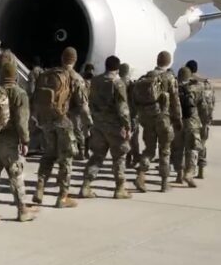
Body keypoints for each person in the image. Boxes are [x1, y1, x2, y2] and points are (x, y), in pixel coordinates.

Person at [32, 47, 91, 208]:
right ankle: (63, 197)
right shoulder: (76, 78)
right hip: (65, 123)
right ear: (75, 60)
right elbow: (83, 106)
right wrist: (89, 123)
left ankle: (40, 187)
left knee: (48, 155)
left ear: (62, 58)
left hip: (47, 121)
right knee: (66, 159)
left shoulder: (47, 74)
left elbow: (35, 98)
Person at [0, 60, 38, 225]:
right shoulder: (19, 94)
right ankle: (22, 210)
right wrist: (25, 141)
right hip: (9, 142)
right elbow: (21, 121)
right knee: (15, 175)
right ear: (15, 76)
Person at [79, 56, 132, 200]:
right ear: (117, 68)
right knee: (119, 157)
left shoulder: (95, 81)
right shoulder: (118, 83)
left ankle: (85, 186)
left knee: (97, 156)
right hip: (114, 127)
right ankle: (120, 188)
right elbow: (123, 108)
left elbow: (89, 101)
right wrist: (127, 126)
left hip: (98, 125)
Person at [134, 51, 182, 192]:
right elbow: (175, 101)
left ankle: (141, 174)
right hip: (164, 119)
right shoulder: (169, 78)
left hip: (147, 119)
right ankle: (164, 183)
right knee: (165, 150)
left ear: (157, 61)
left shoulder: (146, 77)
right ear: (169, 62)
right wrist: (178, 119)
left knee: (149, 149)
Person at [174, 66, 208, 188]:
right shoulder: (197, 88)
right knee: (193, 148)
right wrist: (204, 121)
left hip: (176, 122)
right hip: (192, 121)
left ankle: (179, 174)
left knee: (178, 149)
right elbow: (203, 107)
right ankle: (189, 172)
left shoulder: (173, 87)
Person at [186, 60, 215, 179]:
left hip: (193, 119)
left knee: (190, 145)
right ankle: (201, 170)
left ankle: (188, 171)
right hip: (206, 118)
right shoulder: (207, 83)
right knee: (202, 144)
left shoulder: (189, 83)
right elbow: (212, 101)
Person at [119, 63, 140, 168]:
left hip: (120, 115)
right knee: (134, 139)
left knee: (122, 138)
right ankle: (134, 158)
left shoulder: (116, 83)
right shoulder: (132, 85)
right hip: (132, 115)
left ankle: (126, 159)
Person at [26, 56, 45, 155]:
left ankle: (32, 147)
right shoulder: (44, 72)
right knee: (41, 124)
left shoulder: (33, 73)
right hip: (44, 101)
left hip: (35, 101)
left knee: (32, 124)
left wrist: (29, 99)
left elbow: (31, 89)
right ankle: (42, 146)